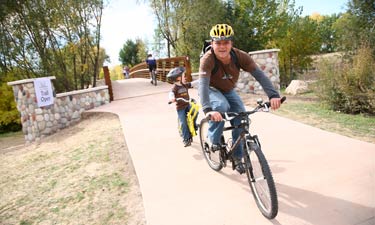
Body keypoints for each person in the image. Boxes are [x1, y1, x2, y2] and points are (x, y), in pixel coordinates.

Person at [199, 23, 282, 174]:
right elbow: (203, 85)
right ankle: (213, 139)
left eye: (226, 42)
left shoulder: (240, 56)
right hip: (211, 89)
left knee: (241, 117)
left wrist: (273, 95)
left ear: (231, 43)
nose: (222, 46)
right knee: (221, 107)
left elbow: (260, 75)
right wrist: (207, 109)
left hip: (228, 89)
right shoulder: (207, 59)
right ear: (212, 43)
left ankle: (237, 157)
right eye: (218, 42)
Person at [167, 67, 199, 147]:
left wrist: (202, 80)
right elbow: (171, 93)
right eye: (183, 75)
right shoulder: (175, 87)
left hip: (187, 104)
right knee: (183, 123)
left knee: (195, 111)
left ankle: (194, 125)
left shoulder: (184, 85)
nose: (185, 77)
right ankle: (186, 139)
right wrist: (172, 98)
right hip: (180, 108)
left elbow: (192, 83)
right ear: (178, 78)